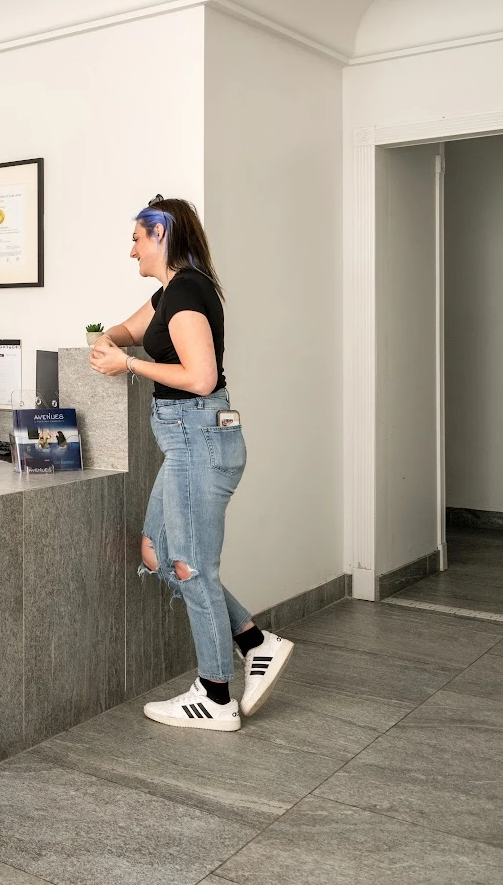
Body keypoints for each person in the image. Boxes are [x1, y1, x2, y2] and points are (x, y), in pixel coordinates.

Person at [88, 195, 293, 731]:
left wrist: (128, 365)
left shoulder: (185, 293)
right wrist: (106, 341)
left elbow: (201, 379)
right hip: (186, 444)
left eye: (137, 238)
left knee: (190, 565)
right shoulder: (169, 294)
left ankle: (216, 695)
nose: (131, 249)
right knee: (157, 553)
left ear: (160, 235)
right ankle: (255, 641)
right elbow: (127, 330)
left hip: (199, 439)